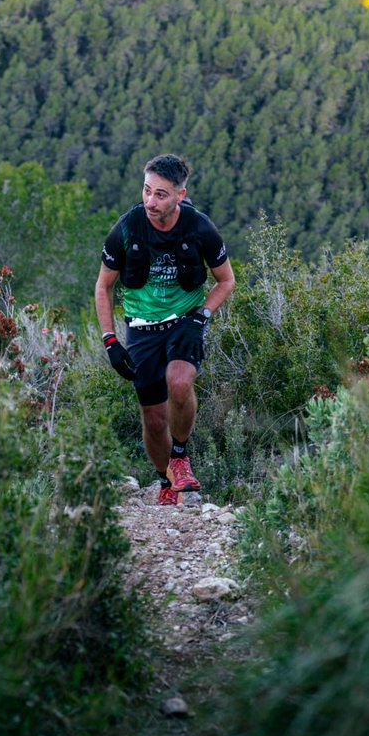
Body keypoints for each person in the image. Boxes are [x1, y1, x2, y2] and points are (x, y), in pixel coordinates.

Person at [94, 154, 236, 506]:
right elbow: (103, 286)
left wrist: (201, 317)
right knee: (154, 418)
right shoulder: (126, 229)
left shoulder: (199, 228)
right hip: (142, 328)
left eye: (160, 194)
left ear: (179, 195)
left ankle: (180, 457)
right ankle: (165, 482)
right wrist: (110, 340)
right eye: (146, 191)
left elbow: (226, 280)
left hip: (184, 322)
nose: (150, 201)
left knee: (180, 382)